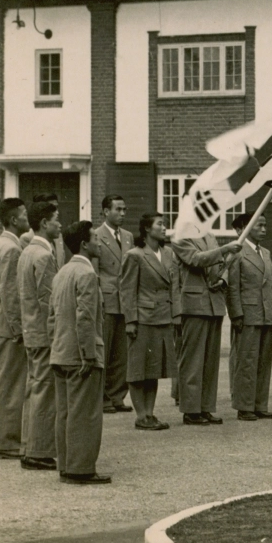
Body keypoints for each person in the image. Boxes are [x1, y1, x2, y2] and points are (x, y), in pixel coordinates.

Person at [50, 221, 110, 484]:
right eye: (96, 238)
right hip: (80, 354)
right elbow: (84, 318)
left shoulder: (62, 272)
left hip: (61, 352)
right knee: (85, 414)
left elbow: (52, 317)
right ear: (85, 244)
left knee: (65, 412)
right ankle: (81, 468)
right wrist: (88, 354)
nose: (99, 242)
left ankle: (66, 465)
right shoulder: (86, 274)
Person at [173, 227, 241, 426]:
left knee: (210, 361)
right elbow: (196, 259)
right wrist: (225, 249)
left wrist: (222, 279)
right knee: (193, 360)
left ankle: (205, 407)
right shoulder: (180, 236)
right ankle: (191, 410)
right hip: (194, 304)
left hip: (214, 303)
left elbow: (222, 264)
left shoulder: (209, 235)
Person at [119, 212, 180, 430]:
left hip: (163, 317)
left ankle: (150, 414)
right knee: (138, 369)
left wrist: (175, 315)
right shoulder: (135, 255)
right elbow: (127, 290)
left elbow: (174, 286)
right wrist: (130, 320)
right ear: (147, 229)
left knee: (154, 369)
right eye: (160, 224)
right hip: (143, 319)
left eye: (164, 224)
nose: (164, 228)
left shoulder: (168, 253)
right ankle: (141, 416)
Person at [0, 198, 29, 459]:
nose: (26, 218)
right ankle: (5, 441)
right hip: (5, 326)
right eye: (23, 214)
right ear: (13, 219)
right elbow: (11, 294)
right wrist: (17, 328)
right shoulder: (11, 248)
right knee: (9, 385)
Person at [18, 199, 62, 471]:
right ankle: (38, 450)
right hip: (44, 334)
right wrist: (57, 334)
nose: (60, 223)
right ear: (44, 224)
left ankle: (29, 445)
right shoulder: (43, 255)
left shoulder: (27, 251)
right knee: (45, 392)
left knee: (35, 389)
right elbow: (48, 301)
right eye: (56, 219)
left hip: (31, 330)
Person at [228, 213, 272, 421]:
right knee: (246, 360)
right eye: (259, 225)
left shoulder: (265, 252)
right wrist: (236, 314)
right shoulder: (237, 252)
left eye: (265, 225)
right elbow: (233, 286)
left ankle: (259, 404)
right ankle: (244, 406)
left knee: (263, 361)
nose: (264, 229)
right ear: (246, 228)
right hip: (247, 314)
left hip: (265, 313)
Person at [93, 195, 133, 415]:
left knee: (122, 352)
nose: (122, 213)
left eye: (124, 209)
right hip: (107, 300)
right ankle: (103, 397)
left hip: (125, 300)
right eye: (118, 209)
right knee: (106, 350)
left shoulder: (128, 237)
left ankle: (118, 395)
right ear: (106, 212)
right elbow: (95, 272)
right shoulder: (96, 236)